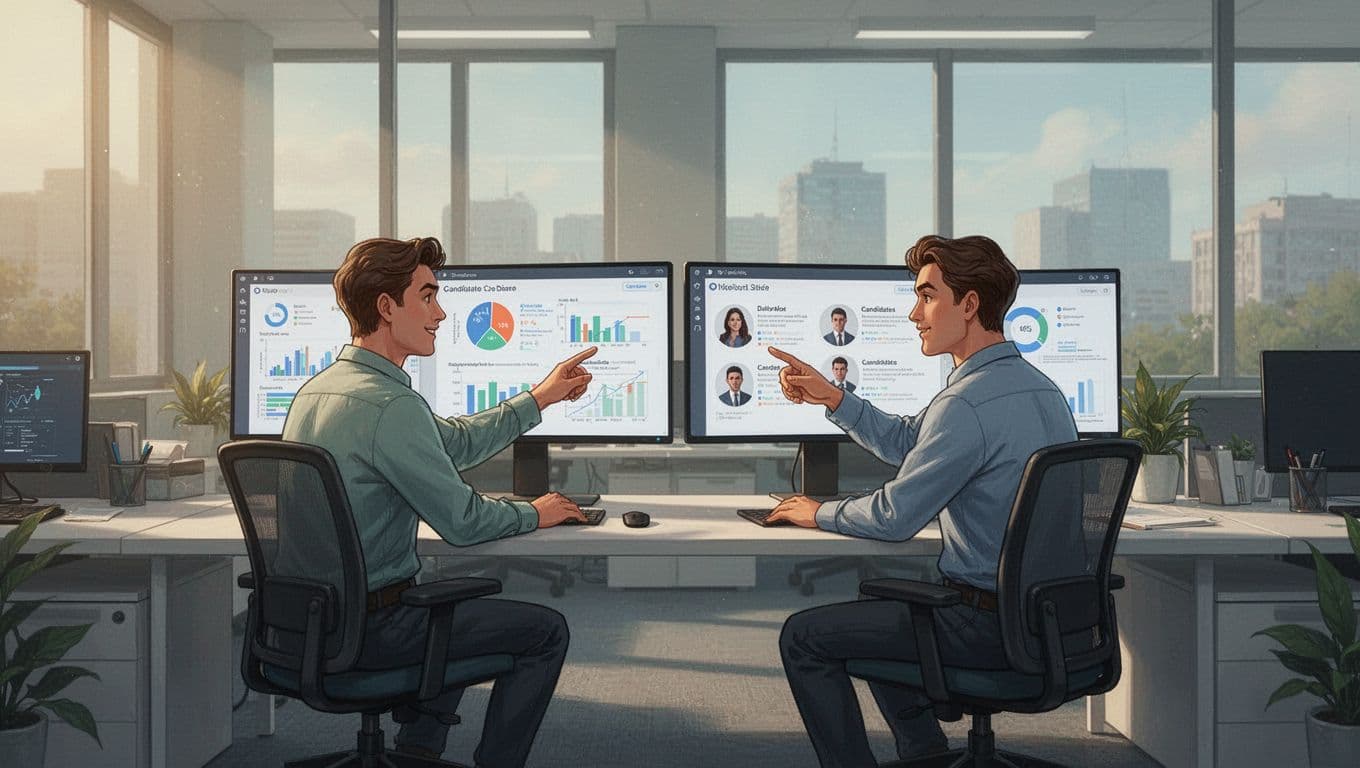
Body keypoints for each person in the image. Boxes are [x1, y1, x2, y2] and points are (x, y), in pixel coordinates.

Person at [282, 236, 594, 767]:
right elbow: (464, 522)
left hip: (312, 624)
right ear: (387, 307)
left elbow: (453, 442)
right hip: (373, 630)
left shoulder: (319, 391)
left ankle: (418, 753)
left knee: (444, 608)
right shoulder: (390, 405)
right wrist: (535, 512)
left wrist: (541, 397)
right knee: (544, 632)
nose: (441, 313)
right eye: (427, 296)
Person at [766, 234, 1077, 768]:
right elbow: (913, 442)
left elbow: (894, 518)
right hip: (1047, 623)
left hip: (985, 627)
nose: (915, 314)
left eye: (927, 296)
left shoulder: (967, 403)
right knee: (883, 613)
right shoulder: (1040, 388)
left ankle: (908, 754)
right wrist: (834, 398)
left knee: (803, 638)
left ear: (969, 304)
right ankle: (924, 753)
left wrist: (815, 512)